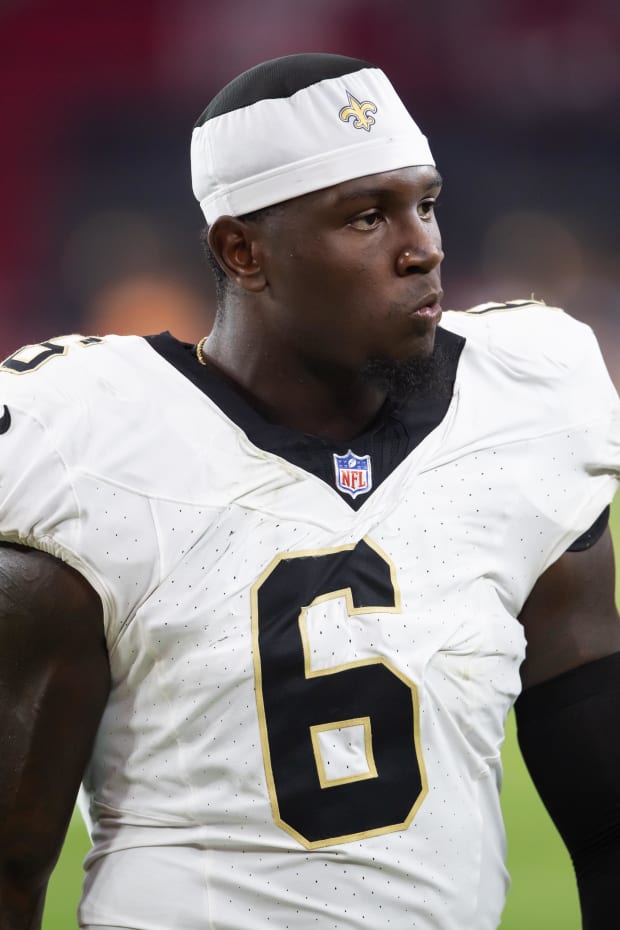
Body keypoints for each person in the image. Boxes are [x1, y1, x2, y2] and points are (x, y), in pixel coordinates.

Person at [0, 53, 618, 930]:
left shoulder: (527, 410)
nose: (424, 248)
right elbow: (10, 864)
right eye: (367, 217)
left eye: (426, 204)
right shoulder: (87, 445)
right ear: (241, 251)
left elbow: (606, 811)